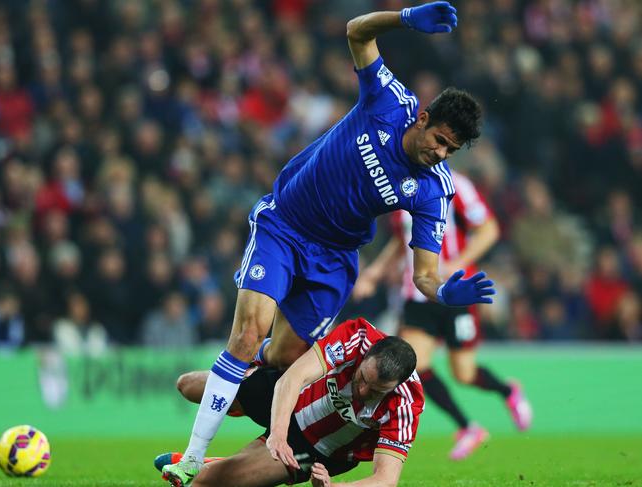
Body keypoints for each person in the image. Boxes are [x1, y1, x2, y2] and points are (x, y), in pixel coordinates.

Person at [163, 3, 495, 484]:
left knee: (280, 361)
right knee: (249, 332)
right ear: (423, 118)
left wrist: (443, 291)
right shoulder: (387, 100)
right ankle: (194, 454)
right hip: (285, 224)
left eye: (450, 150)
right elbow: (356, 32)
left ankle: (234, 387)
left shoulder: (432, 189)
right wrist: (402, 19)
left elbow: (423, 272)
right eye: (439, 140)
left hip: (334, 261)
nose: (439, 154)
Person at [353, 170, 532, 460]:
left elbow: (489, 229)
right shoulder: (399, 190)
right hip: (417, 296)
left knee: (464, 374)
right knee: (414, 366)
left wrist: (458, 263)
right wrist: (374, 273)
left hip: (454, 293)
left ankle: (508, 390)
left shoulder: (455, 185)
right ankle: (467, 428)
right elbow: (403, 241)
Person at [159, 317, 424, 487]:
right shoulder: (358, 337)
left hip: (315, 448)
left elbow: (385, 479)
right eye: (363, 378)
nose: (363, 391)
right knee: (187, 385)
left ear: (396, 387)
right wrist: (277, 434)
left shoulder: (405, 405)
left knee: (207, 482)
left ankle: (212, 465)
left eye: (376, 391)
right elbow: (293, 379)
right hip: (288, 393)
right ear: (366, 356)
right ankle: (264, 359)